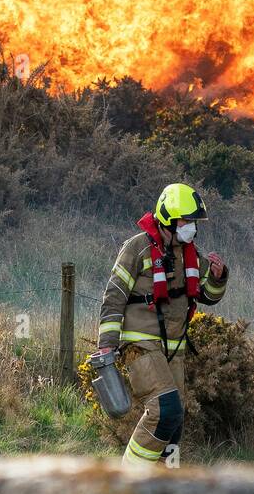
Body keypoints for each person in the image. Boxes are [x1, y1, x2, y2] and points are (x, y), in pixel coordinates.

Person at [97, 182, 229, 467]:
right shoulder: (137, 248)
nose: (191, 227)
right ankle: (129, 478)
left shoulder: (189, 253)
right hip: (140, 345)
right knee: (164, 411)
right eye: (186, 221)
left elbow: (208, 296)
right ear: (168, 218)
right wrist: (106, 347)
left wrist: (218, 277)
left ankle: (163, 487)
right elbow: (113, 297)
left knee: (175, 421)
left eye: (193, 222)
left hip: (174, 349)